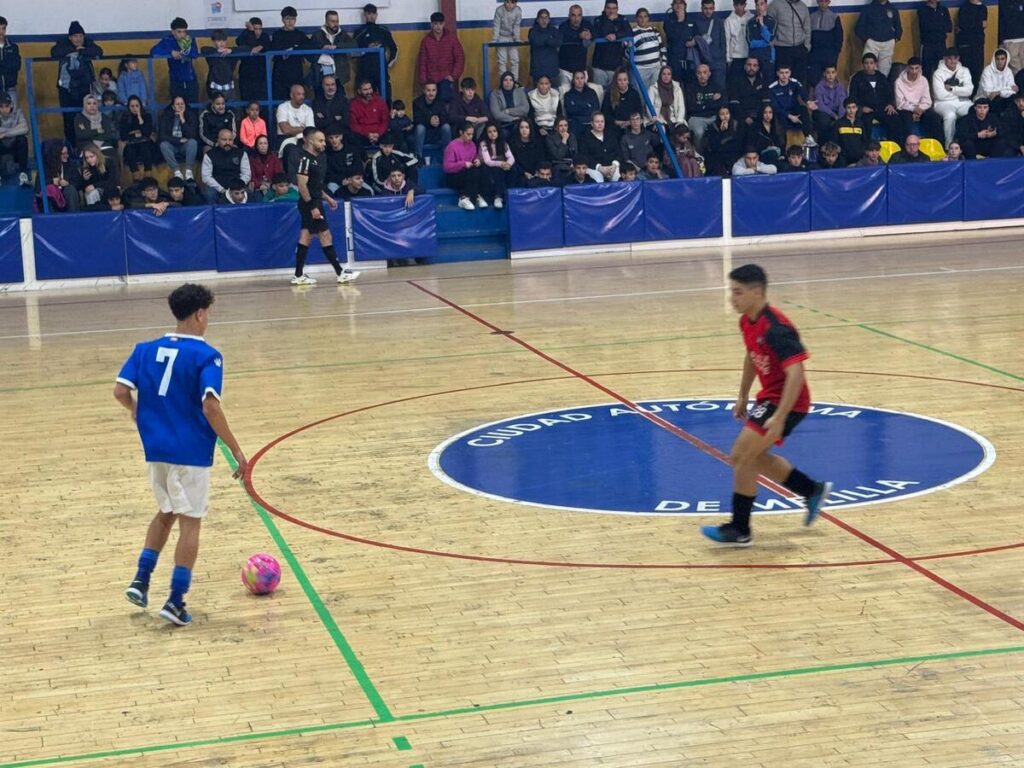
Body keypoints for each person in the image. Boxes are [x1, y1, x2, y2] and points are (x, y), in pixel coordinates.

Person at [117, 283, 247, 627]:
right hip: (190, 453)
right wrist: (236, 450)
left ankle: (141, 580)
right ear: (200, 314)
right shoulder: (208, 356)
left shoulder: (144, 349)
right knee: (191, 524)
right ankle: (175, 600)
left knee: (165, 512)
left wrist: (134, 410)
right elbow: (210, 407)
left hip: (155, 450)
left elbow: (119, 391)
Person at [701, 264, 831, 546]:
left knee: (741, 456)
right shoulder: (747, 321)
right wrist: (743, 394)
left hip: (789, 402)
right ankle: (811, 489)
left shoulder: (776, 328)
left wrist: (781, 416)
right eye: (731, 291)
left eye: (737, 292)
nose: (731, 298)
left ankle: (740, 529)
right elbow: (751, 356)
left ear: (757, 292)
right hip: (769, 397)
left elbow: (796, 373)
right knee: (753, 457)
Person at [291, 127, 359, 285]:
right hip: (310, 204)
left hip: (315, 201)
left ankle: (298, 275)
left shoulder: (317, 159)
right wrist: (312, 206)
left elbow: (314, 185)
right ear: (310, 141)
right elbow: (302, 186)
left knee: (305, 237)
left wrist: (327, 197)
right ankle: (340, 272)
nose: (324, 143)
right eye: (320, 140)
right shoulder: (305, 160)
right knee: (325, 235)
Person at [52, 22, 103, 143]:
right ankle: (71, 146)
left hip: (84, 87)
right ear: (69, 37)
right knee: (68, 118)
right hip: (66, 89)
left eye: (81, 36)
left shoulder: (88, 43)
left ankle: (86, 145)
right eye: (75, 36)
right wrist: (75, 49)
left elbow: (99, 51)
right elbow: (54, 52)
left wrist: (82, 51)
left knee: (86, 116)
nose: (79, 39)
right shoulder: (62, 43)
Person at [848, 53, 903, 140]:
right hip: (866, 110)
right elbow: (852, 97)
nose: (868, 66)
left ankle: (894, 145)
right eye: (866, 63)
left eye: (871, 63)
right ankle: (867, 148)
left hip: (883, 108)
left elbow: (889, 93)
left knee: (895, 119)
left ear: (875, 64)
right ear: (863, 64)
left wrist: (890, 104)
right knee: (865, 123)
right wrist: (861, 108)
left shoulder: (881, 77)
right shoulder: (857, 78)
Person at [354, 4, 398, 100]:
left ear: (376, 15)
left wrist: (389, 63)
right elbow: (353, 53)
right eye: (368, 13)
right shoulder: (359, 32)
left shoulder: (383, 30)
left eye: (373, 13)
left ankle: (386, 115)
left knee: (386, 97)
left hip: (381, 70)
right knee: (367, 99)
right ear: (365, 15)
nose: (371, 16)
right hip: (365, 72)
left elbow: (394, 48)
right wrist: (366, 49)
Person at [418, 12, 465, 104]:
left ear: (444, 24)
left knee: (447, 104)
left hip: (447, 79)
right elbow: (422, 62)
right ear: (431, 25)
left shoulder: (452, 38)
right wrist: (424, 81)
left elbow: (460, 58)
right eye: (435, 24)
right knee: (433, 105)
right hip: (431, 80)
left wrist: (453, 76)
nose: (438, 27)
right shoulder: (426, 41)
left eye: (440, 24)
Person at [151, 17, 200, 104]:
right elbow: (153, 51)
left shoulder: (189, 40)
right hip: (176, 81)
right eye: (179, 32)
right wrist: (171, 52)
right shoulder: (168, 41)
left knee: (192, 109)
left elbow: (194, 54)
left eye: (184, 31)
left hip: (190, 80)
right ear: (173, 31)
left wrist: (184, 52)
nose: (182, 35)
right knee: (177, 108)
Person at [932, 47, 973, 146]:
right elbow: (940, 95)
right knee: (950, 116)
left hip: (962, 101)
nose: (953, 61)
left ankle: (969, 143)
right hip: (942, 103)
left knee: (973, 111)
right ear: (945, 59)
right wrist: (960, 92)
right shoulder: (938, 73)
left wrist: (952, 89)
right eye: (950, 58)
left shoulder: (965, 70)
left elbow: (969, 91)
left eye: (955, 58)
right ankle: (949, 146)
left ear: (958, 58)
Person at [894, 57, 942, 140]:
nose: (914, 71)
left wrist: (919, 109)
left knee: (934, 118)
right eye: (911, 68)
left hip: (921, 109)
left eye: (916, 68)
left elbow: (927, 101)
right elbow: (900, 103)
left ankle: (937, 145)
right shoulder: (899, 82)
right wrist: (913, 109)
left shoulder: (923, 80)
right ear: (907, 68)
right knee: (906, 121)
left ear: (920, 68)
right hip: (905, 109)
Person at [310, 9, 355, 95]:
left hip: (338, 75)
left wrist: (337, 47)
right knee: (320, 101)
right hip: (321, 75)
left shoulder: (343, 34)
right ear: (326, 22)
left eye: (337, 21)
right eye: (332, 21)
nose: (336, 24)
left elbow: (354, 44)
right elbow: (310, 51)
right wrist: (322, 48)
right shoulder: (317, 35)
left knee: (340, 100)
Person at [201, 128, 252, 204]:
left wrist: (237, 187)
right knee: (209, 194)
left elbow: (247, 174)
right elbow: (206, 177)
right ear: (218, 140)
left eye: (230, 140)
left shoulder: (241, 154)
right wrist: (222, 189)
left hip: (237, 186)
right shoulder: (209, 155)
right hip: (217, 187)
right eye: (224, 140)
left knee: (249, 193)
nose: (227, 142)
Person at [444, 121, 487, 209]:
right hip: (453, 176)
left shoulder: (472, 145)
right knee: (470, 173)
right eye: (468, 134)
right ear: (461, 132)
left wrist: (477, 160)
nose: (470, 137)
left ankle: (475, 196)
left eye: (472, 134)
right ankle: (464, 198)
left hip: (469, 173)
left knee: (479, 170)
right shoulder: (452, 146)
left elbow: (475, 158)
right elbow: (447, 167)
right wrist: (463, 164)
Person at [270, 6, 310, 100]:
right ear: (283, 20)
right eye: (287, 19)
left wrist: (294, 49)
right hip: (280, 72)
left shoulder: (300, 34)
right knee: (280, 99)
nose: (290, 22)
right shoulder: (277, 34)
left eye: (292, 19)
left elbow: (309, 45)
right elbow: (275, 49)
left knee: (297, 98)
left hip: (296, 71)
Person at [591, 0, 633, 89]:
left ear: (617, 9)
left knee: (614, 95)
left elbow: (629, 33)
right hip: (599, 66)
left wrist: (616, 35)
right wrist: (609, 21)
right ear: (605, 8)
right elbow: (596, 34)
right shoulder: (598, 20)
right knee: (599, 94)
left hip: (615, 66)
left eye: (614, 8)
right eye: (609, 8)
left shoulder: (622, 19)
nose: (611, 11)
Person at [768, 0, 811, 85]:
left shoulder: (803, 6)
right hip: (782, 50)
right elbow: (769, 26)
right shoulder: (775, 5)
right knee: (783, 80)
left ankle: (799, 98)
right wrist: (771, 46)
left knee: (800, 80)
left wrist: (806, 46)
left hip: (800, 48)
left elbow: (807, 28)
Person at [855, 0, 902, 77]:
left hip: (888, 44)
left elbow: (898, 28)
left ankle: (880, 88)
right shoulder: (868, 9)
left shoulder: (893, 9)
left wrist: (895, 38)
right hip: (872, 44)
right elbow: (859, 28)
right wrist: (867, 40)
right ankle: (869, 88)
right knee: (869, 69)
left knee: (884, 72)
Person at [158, 95, 200, 180]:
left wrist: (182, 119)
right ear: (173, 106)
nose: (180, 106)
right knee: (163, 145)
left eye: (182, 104)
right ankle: (177, 172)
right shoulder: (166, 116)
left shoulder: (190, 115)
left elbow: (192, 135)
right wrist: (179, 140)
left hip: (185, 146)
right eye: (177, 104)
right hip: (172, 145)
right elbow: (162, 135)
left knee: (193, 142)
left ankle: (188, 172)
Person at [119, 95, 159, 181]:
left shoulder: (147, 116)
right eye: (132, 106)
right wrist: (138, 132)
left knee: (146, 149)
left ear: (140, 106)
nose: (135, 108)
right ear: (128, 107)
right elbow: (123, 135)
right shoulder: (125, 118)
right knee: (130, 151)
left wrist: (140, 120)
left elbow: (147, 133)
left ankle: (148, 177)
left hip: (145, 142)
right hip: (131, 143)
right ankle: (136, 177)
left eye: (137, 106)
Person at [686, 63, 726, 149]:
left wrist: (703, 104)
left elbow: (721, 105)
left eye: (704, 72)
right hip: (696, 117)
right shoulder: (690, 88)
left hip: (714, 117)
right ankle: (698, 157)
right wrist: (712, 101)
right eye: (699, 73)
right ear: (696, 74)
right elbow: (692, 108)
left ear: (709, 74)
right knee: (699, 132)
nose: (702, 75)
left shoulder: (716, 86)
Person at [694, 0, 728, 91]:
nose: (708, 11)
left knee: (720, 90)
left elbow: (723, 42)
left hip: (718, 63)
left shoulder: (719, 22)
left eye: (710, 8)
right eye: (705, 8)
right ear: (701, 8)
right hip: (703, 63)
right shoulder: (696, 23)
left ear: (714, 8)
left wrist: (723, 61)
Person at [808, 0, 843, 87]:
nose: (823, 4)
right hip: (815, 54)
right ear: (817, 2)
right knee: (814, 79)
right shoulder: (811, 17)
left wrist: (835, 52)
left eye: (825, 1)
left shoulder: (834, 17)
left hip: (829, 54)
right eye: (821, 1)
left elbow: (839, 37)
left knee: (830, 78)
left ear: (829, 2)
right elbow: (808, 35)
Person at [479, 121, 514, 206]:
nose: (492, 134)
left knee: (514, 170)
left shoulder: (503, 143)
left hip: (501, 165)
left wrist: (508, 164)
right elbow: (487, 161)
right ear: (486, 133)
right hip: (489, 166)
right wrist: (501, 163)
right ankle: (497, 197)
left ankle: (508, 196)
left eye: (494, 131)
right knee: (495, 170)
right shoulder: (483, 144)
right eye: (489, 132)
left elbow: (511, 157)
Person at [200, 30, 241, 103]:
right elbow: (203, 49)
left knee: (231, 108)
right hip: (214, 86)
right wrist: (217, 51)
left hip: (229, 86)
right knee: (215, 107)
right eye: (218, 40)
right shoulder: (211, 54)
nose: (221, 43)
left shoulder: (231, 55)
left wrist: (231, 50)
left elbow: (246, 48)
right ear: (214, 41)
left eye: (224, 40)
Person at [413, 82, 452, 157]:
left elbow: (446, 118)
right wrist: (429, 121)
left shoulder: (441, 102)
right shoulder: (417, 102)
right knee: (420, 128)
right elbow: (417, 120)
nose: (431, 93)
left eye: (433, 90)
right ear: (424, 91)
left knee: (446, 127)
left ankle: (447, 156)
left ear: (436, 91)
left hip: (437, 132)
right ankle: (418, 157)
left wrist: (438, 120)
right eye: (428, 90)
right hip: (424, 133)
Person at [632, 8, 667, 91]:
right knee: (641, 95)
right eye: (640, 17)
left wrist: (664, 65)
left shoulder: (655, 31)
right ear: (636, 19)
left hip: (656, 68)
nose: (643, 19)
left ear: (648, 18)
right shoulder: (632, 33)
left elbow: (662, 48)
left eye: (645, 16)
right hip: (640, 70)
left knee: (654, 94)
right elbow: (627, 53)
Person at [237, 17, 270, 102]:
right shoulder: (243, 36)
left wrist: (261, 46)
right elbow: (246, 45)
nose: (258, 32)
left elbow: (269, 45)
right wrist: (250, 31)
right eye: (255, 29)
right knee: (246, 101)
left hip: (261, 75)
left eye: (260, 29)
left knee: (262, 102)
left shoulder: (265, 37)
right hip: (246, 74)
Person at [350, 79, 389, 151]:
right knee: (352, 138)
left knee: (393, 137)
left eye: (370, 88)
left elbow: (385, 121)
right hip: (363, 136)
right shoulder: (353, 105)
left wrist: (378, 134)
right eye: (365, 90)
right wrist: (367, 135)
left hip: (379, 134)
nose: (368, 92)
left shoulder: (380, 101)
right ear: (359, 91)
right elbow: (354, 125)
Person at [664, 0, 697, 84]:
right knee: (676, 85)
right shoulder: (668, 21)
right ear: (672, 5)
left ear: (685, 5)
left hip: (689, 59)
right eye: (676, 3)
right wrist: (680, 20)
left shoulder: (691, 19)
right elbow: (673, 37)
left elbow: (697, 35)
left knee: (690, 85)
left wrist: (694, 41)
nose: (678, 5)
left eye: (681, 3)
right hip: (674, 59)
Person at [810, 65, 846, 141]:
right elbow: (821, 106)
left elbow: (842, 104)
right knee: (824, 120)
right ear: (824, 74)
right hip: (823, 112)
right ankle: (822, 144)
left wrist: (840, 117)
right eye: (828, 73)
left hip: (836, 112)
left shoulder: (840, 87)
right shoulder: (819, 87)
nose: (830, 75)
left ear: (836, 73)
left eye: (833, 72)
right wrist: (834, 116)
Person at [956, 0, 987, 90]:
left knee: (977, 71)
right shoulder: (964, 8)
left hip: (978, 44)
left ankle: (975, 95)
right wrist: (978, 25)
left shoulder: (983, 8)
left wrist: (975, 25)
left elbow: (984, 25)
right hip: (966, 45)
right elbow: (963, 25)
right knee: (965, 72)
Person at [918, 0, 952, 80]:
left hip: (941, 45)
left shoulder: (944, 10)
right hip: (927, 45)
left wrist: (936, 26)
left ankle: (941, 91)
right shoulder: (922, 11)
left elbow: (949, 27)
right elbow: (926, 27)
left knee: (942, 71)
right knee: (926, 72)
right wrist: (940, 25)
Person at [978, 49, 1019, 114]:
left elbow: (1013, 91)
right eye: (997, 59)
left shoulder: (1008, 71)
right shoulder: (987, 71)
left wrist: (999, 92)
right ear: (994, 59)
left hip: (1002, 97)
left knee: (1013, 99)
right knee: (998, 100)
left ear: (1006, 59)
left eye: (1002, 59)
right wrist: (1007, 89)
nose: (1000, 61)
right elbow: (988, 93)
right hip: (985, 99)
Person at [705, 104, 743, 174]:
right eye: (722, 114)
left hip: (734, 154)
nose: (725, 116)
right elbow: (713, 146)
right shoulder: (713, 127)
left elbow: (740, 142)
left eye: (727, 113)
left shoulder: (736, 124)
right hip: (719, 156)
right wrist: (721, 132)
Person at [562, 70, 601, 135]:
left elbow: (596, 109)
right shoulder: (568, 95)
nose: (580, 81)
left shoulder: (591, 92)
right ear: (573, 80)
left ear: (584, 79)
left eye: (582, 78)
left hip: (590, 123)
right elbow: (570, 111)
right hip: (575, 124)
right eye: (577, 78)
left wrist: (577, 106)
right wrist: (587, 106)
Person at [0, 93, 27, 184]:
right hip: (2, 148)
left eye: (6, 106)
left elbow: (25, 128)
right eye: (1, 107)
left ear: (11, 105)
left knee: (22, 139)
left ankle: (23, 174)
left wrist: (5, 133)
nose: (4, 109)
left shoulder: (18, 112)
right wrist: (16, 129)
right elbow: (20, 128)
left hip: (15, 148)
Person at [493, 0, 523, 82]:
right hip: (501, 36)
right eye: (508, 2)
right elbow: (496, 25)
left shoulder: (518, 11)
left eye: (512, 3)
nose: (510, 5)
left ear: (516, 3)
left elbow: (517, 26)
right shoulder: (499, 10)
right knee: (502, 61)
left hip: (512, 37)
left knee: (515, 60)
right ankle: (503, 81)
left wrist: (517, 39)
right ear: (504, 2)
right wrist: (495, 39)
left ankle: (515, 81)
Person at [529, 9, 560, 87]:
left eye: (546, 18)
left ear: (549, 20)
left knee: (555, 96)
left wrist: (545, 40)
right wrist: (549, 38)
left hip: (552, 71)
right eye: (542, 18)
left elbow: (559, 42)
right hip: (538, 71)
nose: (544, 20)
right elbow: (536, 41)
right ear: (537, 20)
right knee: (536, 97)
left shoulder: (555, 30)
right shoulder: (532, 31)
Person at [508, 118, 544, 184]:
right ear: (518, 129)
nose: (524, 130)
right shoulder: (512, 143)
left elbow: (541, 158)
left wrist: (537, 171)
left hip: (536, 172)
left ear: (530, 129)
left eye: (527, 127)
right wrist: (524, 172)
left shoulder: (537, 142)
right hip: (520, 173)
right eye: (521, 127)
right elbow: (513, 162)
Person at [745, 0, 777, 73]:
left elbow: (770, 39)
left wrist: (762, 24)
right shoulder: (750, 22)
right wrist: (766, 43)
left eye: (762, 4)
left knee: (768, 83)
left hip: (768, 58)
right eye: (757, 5)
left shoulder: (772, 21)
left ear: (766, 5)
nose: (759, 7)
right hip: (754, 60)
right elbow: (751, 43)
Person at [545, 116, 578, 181]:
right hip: (558, 165)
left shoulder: (572, 136)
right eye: (561, 126)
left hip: (571, 164)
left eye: (565, 125)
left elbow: (575, 153)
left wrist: (574, 163)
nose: (563, 128)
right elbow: (558, 156)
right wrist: (564, 141)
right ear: (556, 127)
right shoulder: (550, 138)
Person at [835, 97, 867, 162]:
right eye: (848, 108)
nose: (851, 110)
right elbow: (835, 141)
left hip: (859, 158)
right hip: (843, 159)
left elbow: (864, 140)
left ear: (857, 108)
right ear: (845, 109)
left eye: (853, 107)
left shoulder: (860, 123)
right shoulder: (839, 123)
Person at [725, 0, 751, 80]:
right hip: (735, 58)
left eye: (741, 4)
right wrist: (728, 58)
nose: (739, 7)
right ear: (733, 5)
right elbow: (727, 40)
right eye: (737, 4)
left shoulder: (751, 17)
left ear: (745, 5)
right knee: (736, 82)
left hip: (750, 56)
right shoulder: (728, 20)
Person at [0, 16, 21, 107]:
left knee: (13, 115)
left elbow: (16, 65)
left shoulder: (13, 47)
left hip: (10, 88)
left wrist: (2, 65)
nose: (1, 32)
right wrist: (6, 64)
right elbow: (11, 65)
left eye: (3, 28)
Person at [1000, 0, 1024, 74]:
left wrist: (1000, 41)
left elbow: (1001, 22)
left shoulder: (1003, 3)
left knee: (1016, 71)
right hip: (1012, 39)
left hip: (1010, 40)